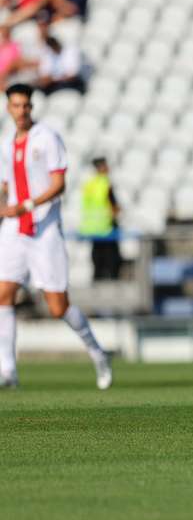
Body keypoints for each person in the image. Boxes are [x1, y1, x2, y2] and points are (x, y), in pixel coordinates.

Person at [0, 83, 111, 389]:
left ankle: (97, 353)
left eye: (26, 106)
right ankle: (8, 369)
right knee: (3, 295)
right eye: (16, 106)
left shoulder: (46, 138)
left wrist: (26, 205)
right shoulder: (6, 143)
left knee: (58, 307)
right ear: (9, 108)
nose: (21, 111)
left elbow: (58, 184)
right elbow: (6, 185)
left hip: (43, 229)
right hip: (14, 230)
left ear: (31, 108)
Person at [79, 156, 120, 280]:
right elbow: (114, 206)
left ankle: (96, 281)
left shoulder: (89, 184)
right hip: (106, 226)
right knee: (111, 258)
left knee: (97, 257)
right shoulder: (105, 183)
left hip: (92, 227)